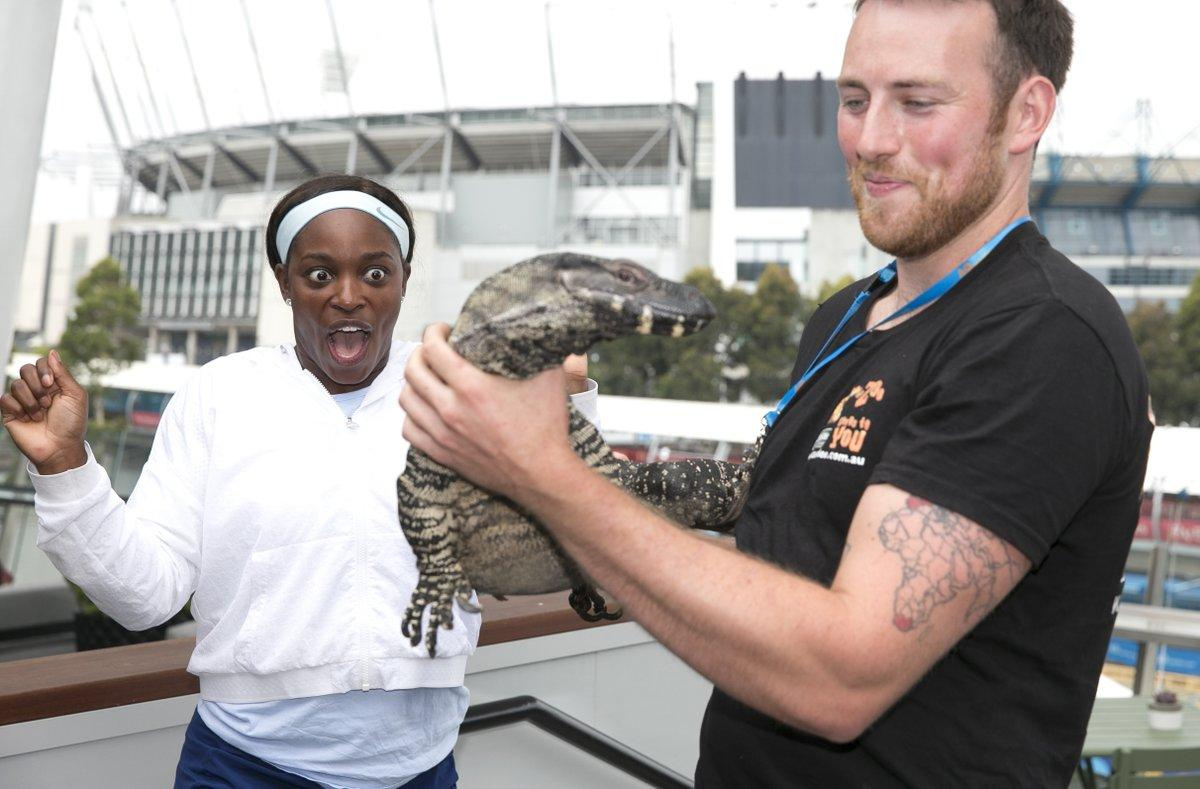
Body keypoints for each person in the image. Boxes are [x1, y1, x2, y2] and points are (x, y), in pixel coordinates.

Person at [397, 1, 1153, 785]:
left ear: (1026, 113)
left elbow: (842, 677)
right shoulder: (846, 317)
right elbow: (778, 557)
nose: (870, 139)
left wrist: (541, 470)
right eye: (854, 99)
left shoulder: (1045, 336)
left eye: (918, 102)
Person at [1, 174, 596, 788]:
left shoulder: (461, 390)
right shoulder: (220, 396)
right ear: (284, 282)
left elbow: (553, 550)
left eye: (375, 273)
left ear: (404, 278)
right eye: (318, 274)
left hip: (421, 770)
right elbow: (144, 597)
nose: (348, 296)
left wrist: (569, 403)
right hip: (240, 769)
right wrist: (64, 467)